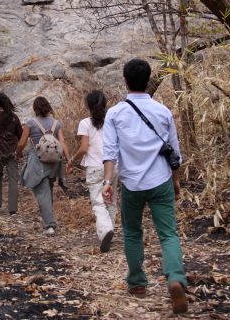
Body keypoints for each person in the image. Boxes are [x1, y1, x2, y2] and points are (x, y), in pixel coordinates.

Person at [102, 58, 188, 314]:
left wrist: (108, 182)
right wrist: (175, 180)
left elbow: (110, 152)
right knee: (168, 234)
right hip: (160, 180)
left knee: (132, 233)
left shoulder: (115, 113)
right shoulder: (162, 111)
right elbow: (174, 151)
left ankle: (138, 284)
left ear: (126, 81)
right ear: (149, 80)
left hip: (132, 184)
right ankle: (175, 278)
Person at [66, 90, 117, 253]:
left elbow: (83, 148)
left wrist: (72, 161)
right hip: (113, 166)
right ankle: (110, 232)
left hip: (95, 167)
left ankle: (106, 230)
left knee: (98, 201)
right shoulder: (112, 121)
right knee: (110, 200)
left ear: (88, 105)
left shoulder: (85, 123)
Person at [16, 96, 71, 235]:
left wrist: (18, 153)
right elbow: (63, 142)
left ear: (35, 109)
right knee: (48, 190)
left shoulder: (30, 123)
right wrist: (68, 158)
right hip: (54, 161)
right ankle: (49, 218)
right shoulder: (56, 123)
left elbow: (22, 143)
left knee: (42, 192)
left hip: (38, 161)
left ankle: (50, 225)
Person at [0, 92, 23, 214]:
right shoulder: (14, 117)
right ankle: (13, 209)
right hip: (12, 151)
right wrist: (19, 151)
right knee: (13, 179)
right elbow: (20, 135)